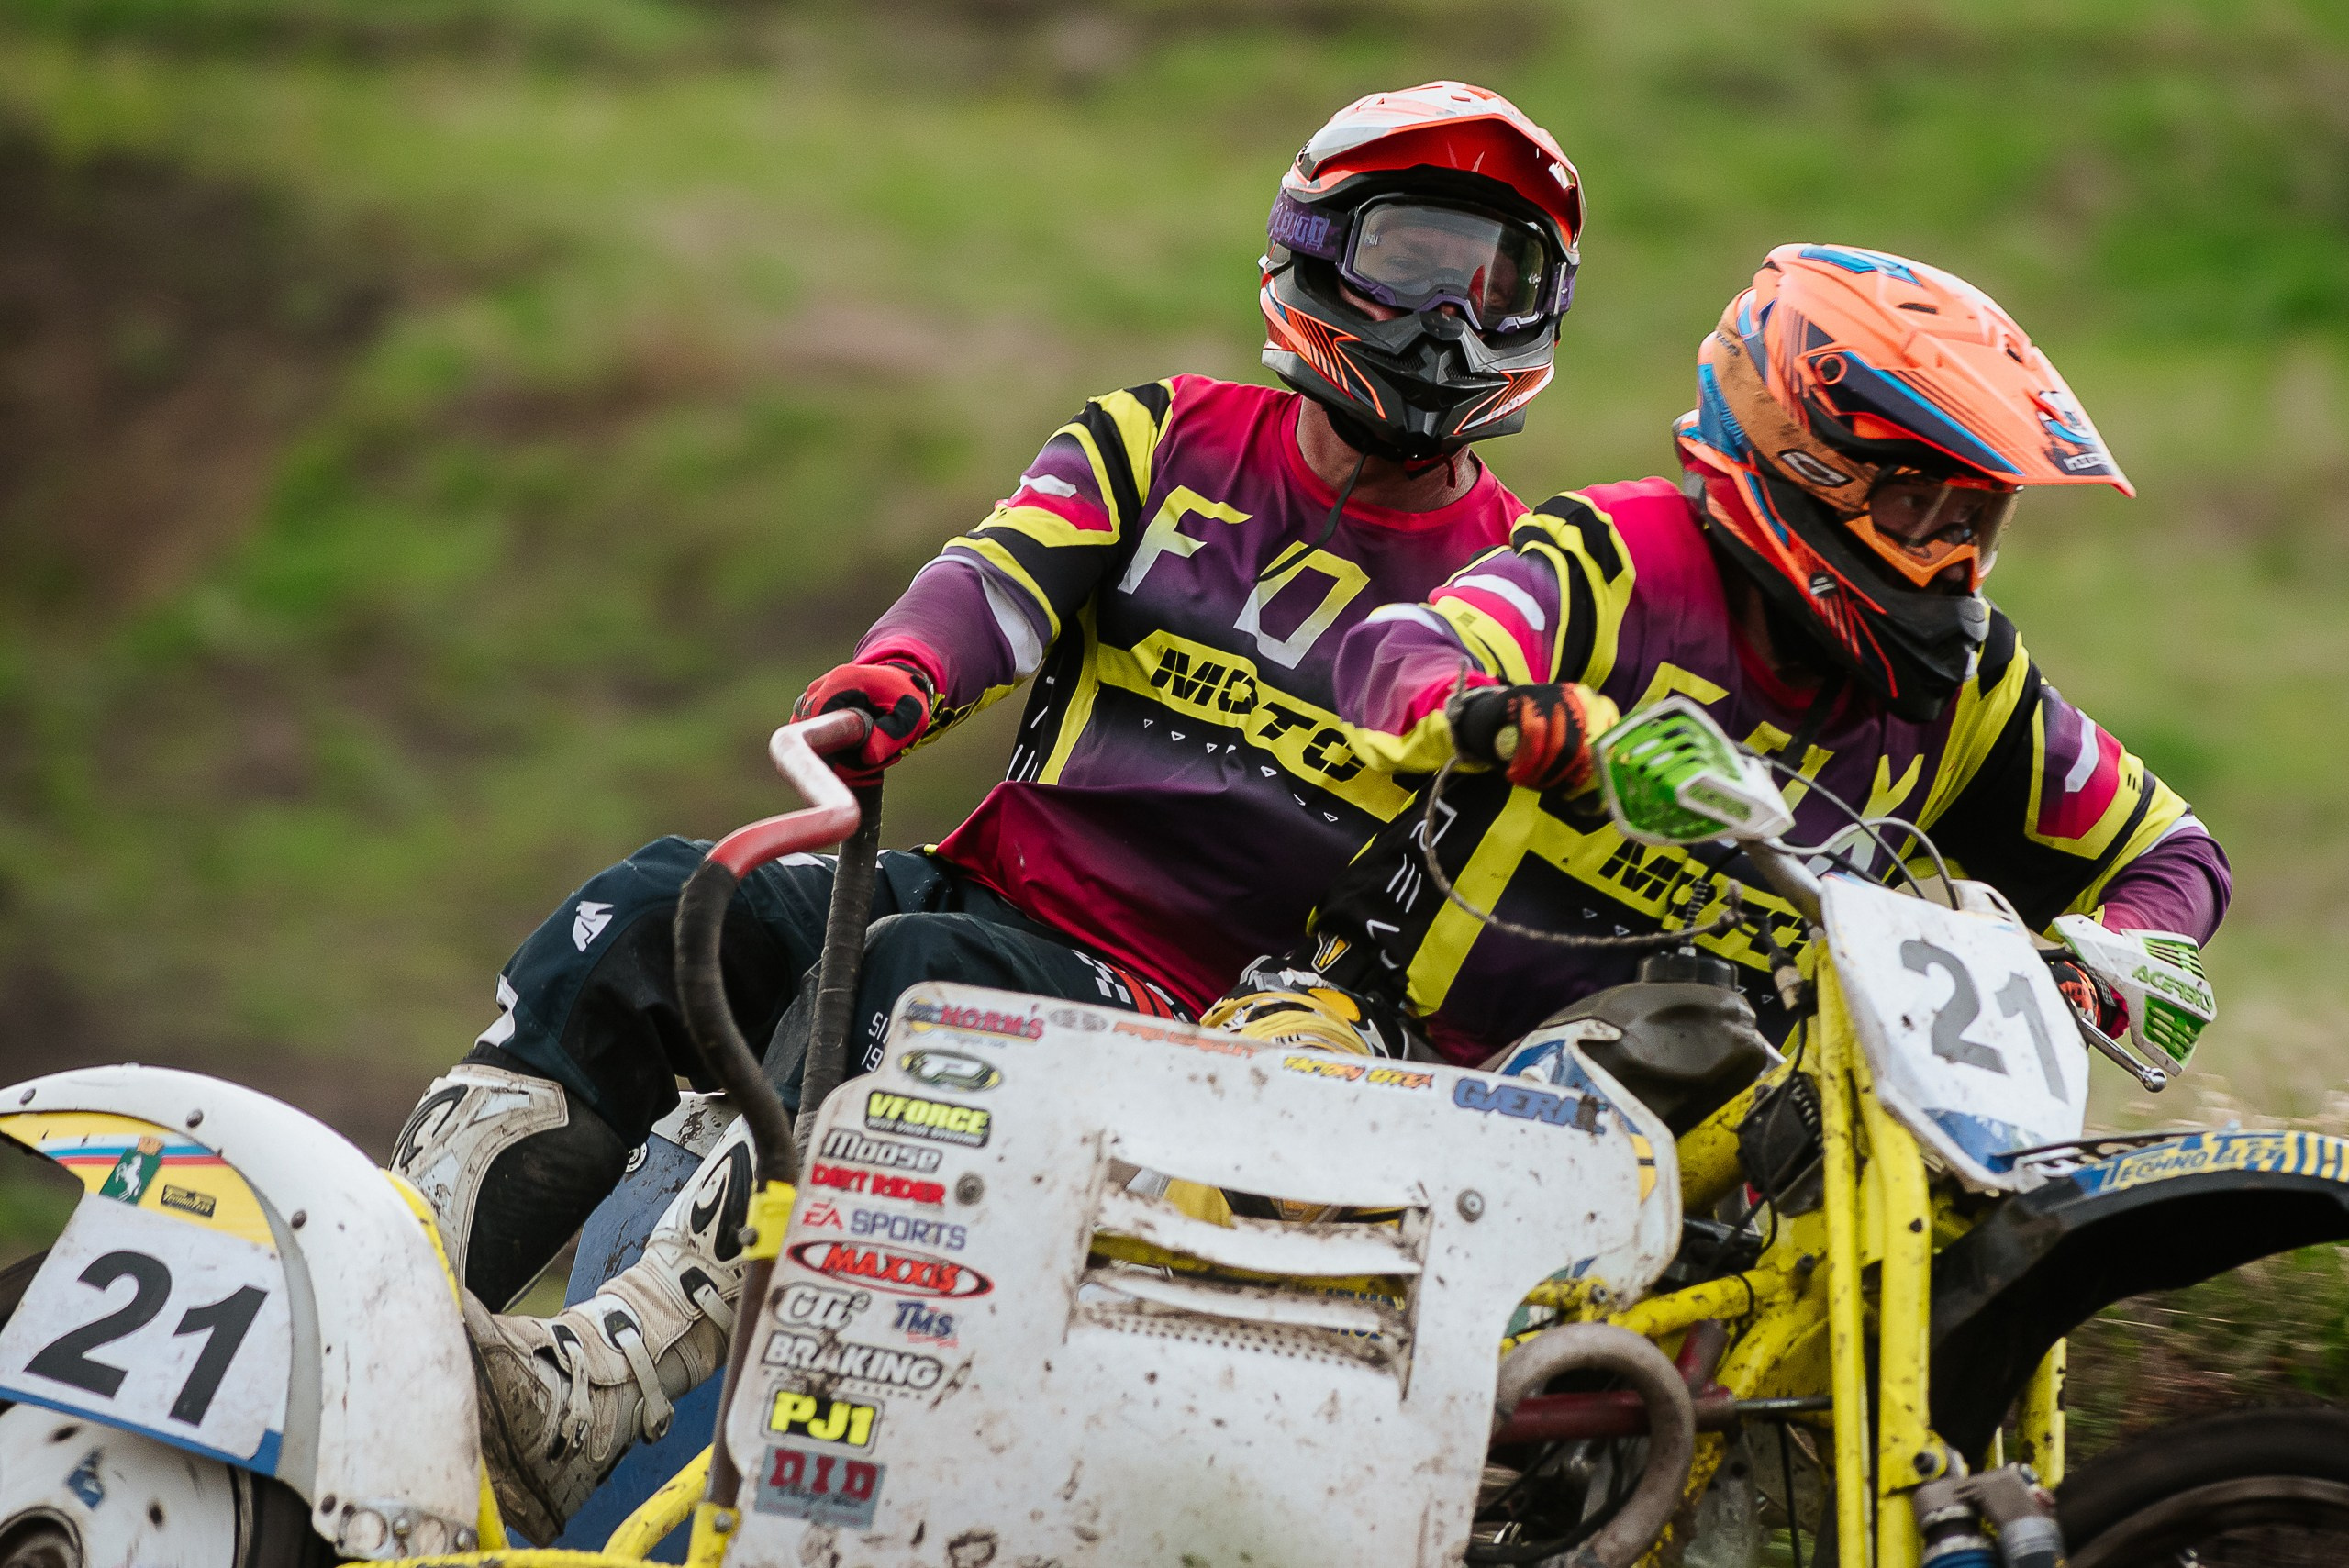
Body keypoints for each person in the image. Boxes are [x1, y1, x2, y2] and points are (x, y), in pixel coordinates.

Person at [391, 82, 1588, 1540]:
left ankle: (595, 1397)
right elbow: (999, 576)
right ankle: (385, 1301)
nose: (1448, 322)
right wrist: (898, 675)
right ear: (1317, 251)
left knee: (904, 991)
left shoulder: (1528, 580)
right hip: (986, 889)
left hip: (1200, 1024)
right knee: (655, 904)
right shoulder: (1161, 438)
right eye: (1415, 261)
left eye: (1497, 280)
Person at [1236, 243, 2229, 1065]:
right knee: (1268, 1127)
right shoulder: (1620, 555)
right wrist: (1523, 721)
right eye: (1916, 506)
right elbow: (1397, 655)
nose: (1948, 555)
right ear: (1799, 455)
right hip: (1388, 1044)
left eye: (1975, 517)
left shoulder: (1972, 689)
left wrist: (2117, 957)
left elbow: (2171, 852)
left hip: (1717, 1138)